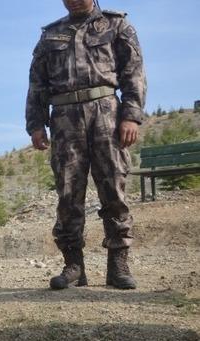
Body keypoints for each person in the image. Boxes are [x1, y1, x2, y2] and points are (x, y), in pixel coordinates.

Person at [26, 0, 145, 291]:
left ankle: (118, 266)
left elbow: (133, 72)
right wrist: (35, 124)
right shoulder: (51, 34)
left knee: (113, 189)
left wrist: (131, 115)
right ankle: (73, 266)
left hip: (106, 113)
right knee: (68, 193)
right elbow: (37, 82)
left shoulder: (116, 24)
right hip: (64, 118)